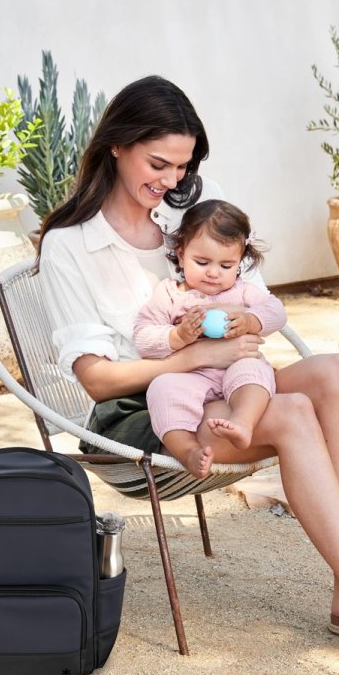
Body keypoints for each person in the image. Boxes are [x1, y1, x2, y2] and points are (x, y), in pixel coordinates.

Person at [36, 75, 339, 675]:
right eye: (157, 164)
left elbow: (251, 298)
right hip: (143, 414)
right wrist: (195, 356)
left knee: (333, 371)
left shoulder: (192, 213)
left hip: (224, 387)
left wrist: (240, 327)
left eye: (182, 166)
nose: (170, 181)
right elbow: (96, 381)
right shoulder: (71, 245)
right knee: (293, 410)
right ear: (116, 145)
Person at [133, 199, 285, 479]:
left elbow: (277, 311)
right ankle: (188, 450)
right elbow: (143, 337)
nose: (213, 273)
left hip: (236, 367)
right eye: (202, 262)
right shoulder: (170, 295)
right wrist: (177, 335)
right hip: (192, 375)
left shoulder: (242, 292)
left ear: (239, 263)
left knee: (253, 370)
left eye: (226, 265)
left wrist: (251, 321)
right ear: (181, 255)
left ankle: (242, 422)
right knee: (162, 387)